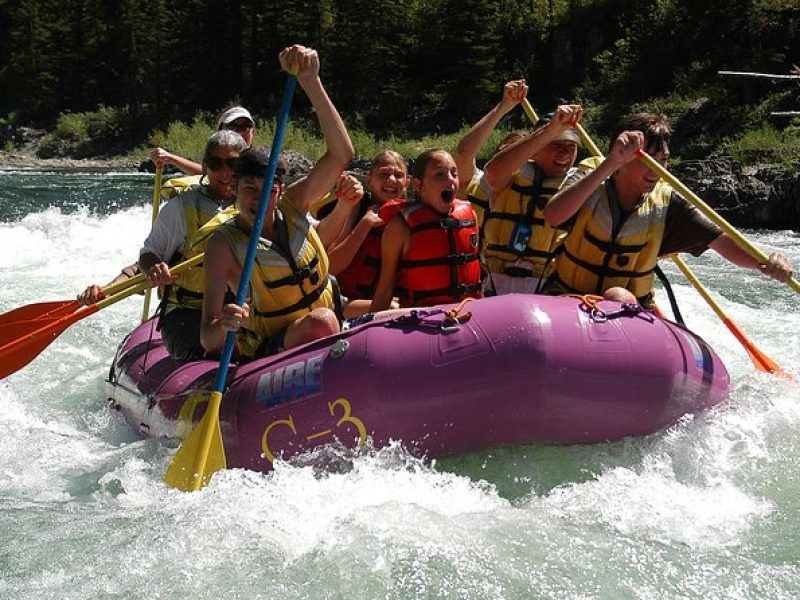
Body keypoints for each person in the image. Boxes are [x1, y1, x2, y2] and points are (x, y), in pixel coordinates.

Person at [542, 112, 794, 306]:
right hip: (566, 297)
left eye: (663, 161)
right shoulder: (592, 176)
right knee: (616, 295)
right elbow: (553, 216)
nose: (657, 171)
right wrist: (610, 164)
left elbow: (722, 241)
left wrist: (765, 263)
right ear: (621, 157)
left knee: (618, 296)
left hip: (627, 310)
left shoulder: (669, 204)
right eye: (648, 161)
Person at [201, 44, 355, 361]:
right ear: (233, 190)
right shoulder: (223, 244)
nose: (258, 199)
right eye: (249, 189)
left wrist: (311, 81)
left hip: (333, 325)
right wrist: (225, 323)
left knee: (387, 311)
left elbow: (341, 154)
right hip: (274, 352)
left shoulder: (294, 204)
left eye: (267, 189)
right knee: (322, 321)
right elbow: (207, 336)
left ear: (280, 189)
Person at [137, 129, 247, 360]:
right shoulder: (180, 208)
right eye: (216, 163)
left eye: (233, 163)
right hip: (187, 313)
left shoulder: (255, 205)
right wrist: (154, 266)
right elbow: (149, 252)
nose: (225, 171)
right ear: (206, 166)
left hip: (238, 309)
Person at [475, 103, 585, 295]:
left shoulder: (579, 184)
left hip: (547, 290)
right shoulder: (511, 174)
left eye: (571, 147)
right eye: (556, 145)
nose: (565, 153)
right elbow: (492, 173)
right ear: (535, 149)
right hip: (494, 285)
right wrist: (550, 130)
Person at [369, 149, 482, 312]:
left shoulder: (470, 216)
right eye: (439, 174)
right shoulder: (400, 227)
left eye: (454, 173)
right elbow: (385, 290)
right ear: (418, 185)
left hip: (468, 314)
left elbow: (477, 278)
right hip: (422, 323)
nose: (449, 179)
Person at [318, 151, 410, 311]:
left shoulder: (410, 217)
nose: (391, 180)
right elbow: (330, 268)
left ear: (407, 183)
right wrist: (365, 224)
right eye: (384, 174)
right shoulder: (354, 207)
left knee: (401, 306)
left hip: (386, 300)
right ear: (368, 181)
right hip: (343, 301)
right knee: (393, 308)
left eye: (398, 175)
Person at [454, 79, 528, 197]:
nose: (513, 156)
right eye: (511, 150)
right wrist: (504, 106)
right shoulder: (475, 181)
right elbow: (464, 154)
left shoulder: (530, 194)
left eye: (521, 153)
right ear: (501, 149)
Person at [150, 105, 256, 175]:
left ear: (253, 132)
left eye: (245, 127)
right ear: (220, 132)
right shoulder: (212, 156)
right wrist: (170, 158)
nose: (240, 132)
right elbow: (205, 173)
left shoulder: (262, 160)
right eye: (232, 126)